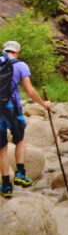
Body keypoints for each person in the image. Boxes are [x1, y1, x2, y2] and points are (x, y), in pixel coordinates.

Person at [0, 41, 52, 198]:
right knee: (20, 139)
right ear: (17, 51)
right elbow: (29, 90)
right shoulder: (21, 65)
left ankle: (6, 185)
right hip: (13, 109)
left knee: (1, 147)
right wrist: (43, 104)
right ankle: (21, 174)